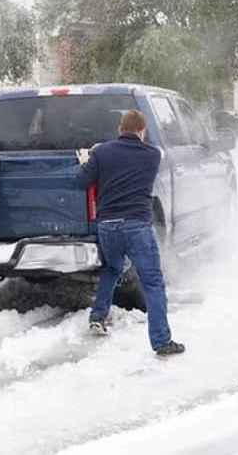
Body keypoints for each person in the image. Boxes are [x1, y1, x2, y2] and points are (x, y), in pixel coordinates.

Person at [76, 109, 185, 357]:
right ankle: (161, 341)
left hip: (107, 226)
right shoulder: (152, 155)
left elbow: (81, 181)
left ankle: (97, 316)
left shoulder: (101, 153)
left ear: (119, 129)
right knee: (153, 283)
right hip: (137, 226)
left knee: (112, 269)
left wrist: (86, 161)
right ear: (142, 131)